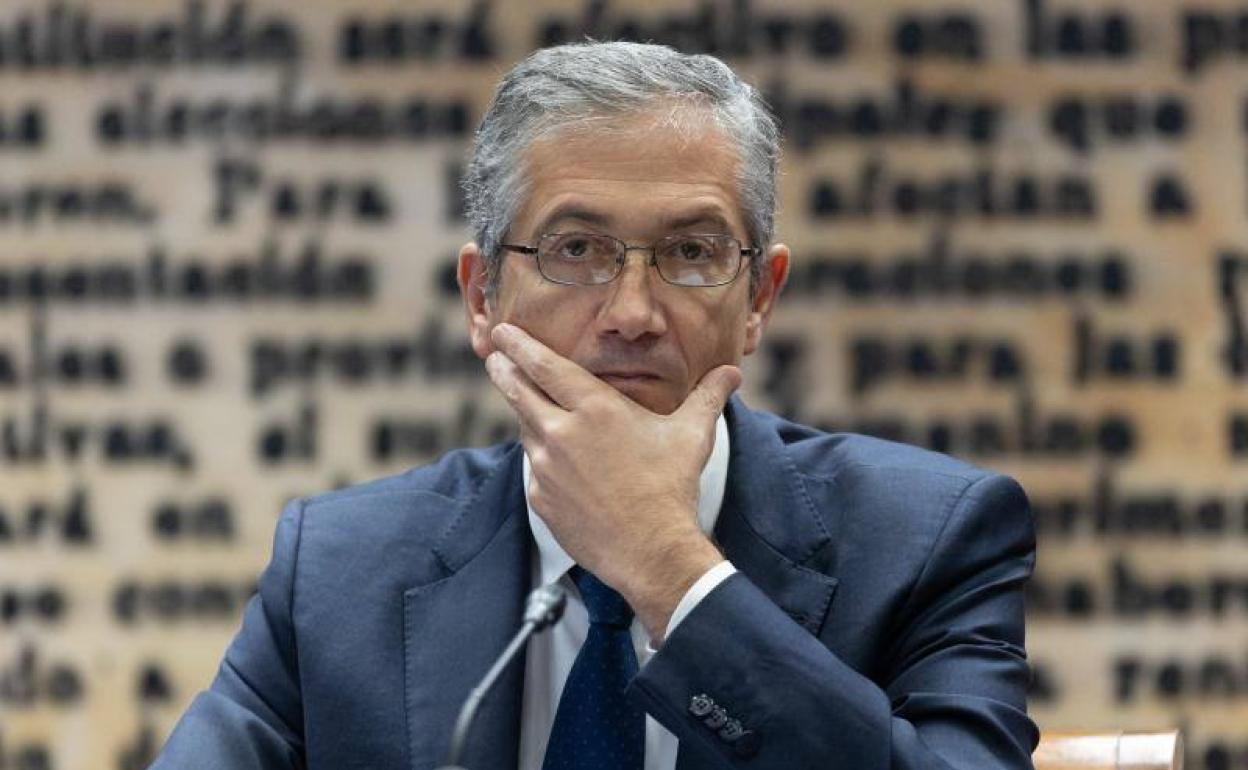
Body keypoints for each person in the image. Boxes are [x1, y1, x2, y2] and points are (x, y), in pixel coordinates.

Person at [150, 42, 1038, 770]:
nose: (633, 316)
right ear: (482, 298)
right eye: (577, 249)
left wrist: (669, 569)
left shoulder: (932, 539)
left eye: (691, 251)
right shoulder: (339, 570)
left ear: (760, 299)